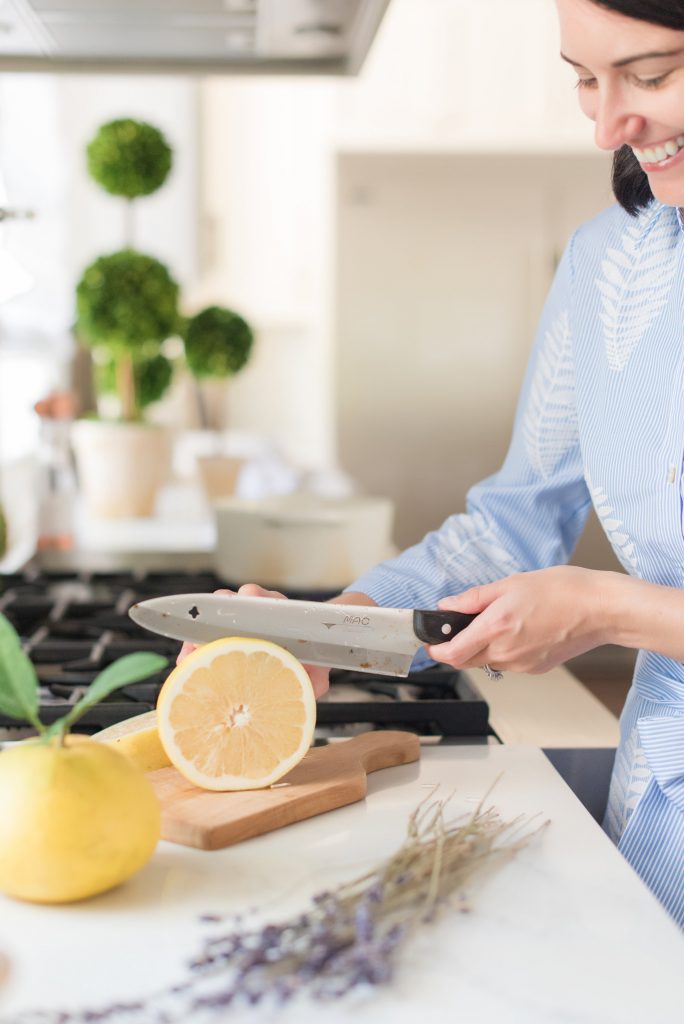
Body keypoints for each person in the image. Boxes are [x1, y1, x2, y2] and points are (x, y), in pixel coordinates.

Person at [181, 0, 684, 928]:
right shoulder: (606, 265)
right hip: (662, 817)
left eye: (652, 76)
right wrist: (331, 629)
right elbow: (513, 523)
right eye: (583, 78)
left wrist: (615, 609)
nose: (610, 125)